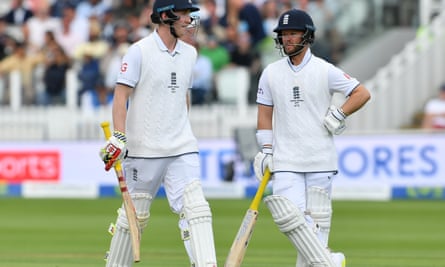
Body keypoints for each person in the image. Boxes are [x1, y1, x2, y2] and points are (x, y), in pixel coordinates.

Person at [99, 1, 218, 266]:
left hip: (181, 147)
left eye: (190, 14)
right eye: (184, 14)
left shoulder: (190, 53)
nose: (189, 20)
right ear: (165, 16)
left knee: (196, 208)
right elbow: (120, 96)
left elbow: (182, 97)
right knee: (135, 216)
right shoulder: (138, 51)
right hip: (144, 150)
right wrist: (118, 137)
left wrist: (179, 126)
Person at [253, 9, 371, 267]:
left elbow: (361, 93)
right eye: (283, 35)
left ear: (307, 36)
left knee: (315, 229)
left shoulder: (324, 70)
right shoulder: (271, 73)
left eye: (293, 33)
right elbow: (264, 116)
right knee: (288, 219)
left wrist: (340, 113)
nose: (287, 39)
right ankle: (331, 261)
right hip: (286, 161)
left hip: (320, 160)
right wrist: (266, 151)